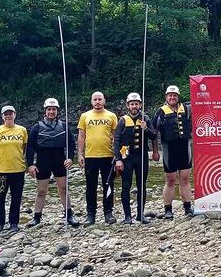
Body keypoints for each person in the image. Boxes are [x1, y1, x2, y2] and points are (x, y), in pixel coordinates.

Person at [25, 98, 79, 227]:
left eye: (53, 109)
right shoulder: (37, 127)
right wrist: (31, 164)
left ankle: (69, 214)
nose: (51, 111)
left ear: (57, 111)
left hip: (59, 159)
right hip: (43, 160)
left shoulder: (63, 126)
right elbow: (30, 147)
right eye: (49, 109)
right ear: (45, 111)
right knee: (42, 191)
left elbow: (71, 144)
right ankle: (37, 217)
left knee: (63, 188)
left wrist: (70, 158)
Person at [113, 93, 159, 224]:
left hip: (141, 157)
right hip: (127, 158)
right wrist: (118, 159)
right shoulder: (122, 120)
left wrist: (146, 129)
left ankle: (140, 215)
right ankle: (127, 216)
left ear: (140, 105)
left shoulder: (145, 119)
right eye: (132, 104)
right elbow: (116, 141)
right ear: (128, 105)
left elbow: (154, 136)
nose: (134, 106)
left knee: (141, 186)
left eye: (136, 104)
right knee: (126, 186)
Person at [77, 91, 118, 225]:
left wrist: (118, 156)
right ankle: (91, 214)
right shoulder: (85, 116)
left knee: (108, 185)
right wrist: (80, 154)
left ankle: (108, 212)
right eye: (95, 99)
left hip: (108, 156)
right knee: (90, 187)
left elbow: (116, 137)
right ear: (91, 101)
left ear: (104, 101)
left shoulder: (111, 116)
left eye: (100, 99)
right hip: (90, 156)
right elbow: (81, 136)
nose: (97, 102)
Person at [153, 85, 194, 218]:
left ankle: (188, 207)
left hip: (184, 147)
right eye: (170, 95)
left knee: (185, 178)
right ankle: (168, 209)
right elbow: (154, 133)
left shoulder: (187, 109)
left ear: (178, 96)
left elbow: (204, 100)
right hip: (169, 149)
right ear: (166, 97)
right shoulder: (160, 112)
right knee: (170, 179)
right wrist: (155, 151)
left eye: (175, 95)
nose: (172, 97)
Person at [0, 105, 28, 232]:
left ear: (15, 115)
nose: (8, 116)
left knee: (16, 197)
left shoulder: (22, 130)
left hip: (18, 170)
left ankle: (14, 223)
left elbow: (25, 147)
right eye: (6, 114)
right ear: (2, 116)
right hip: (1, 171)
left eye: (10, 114)